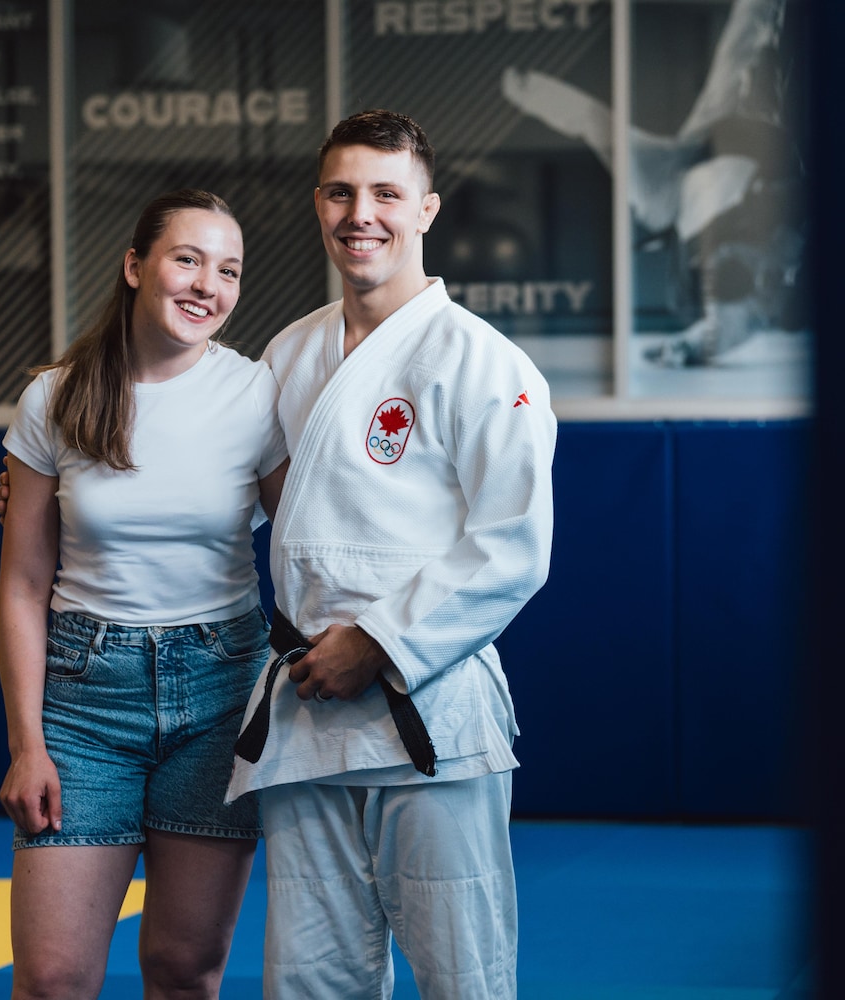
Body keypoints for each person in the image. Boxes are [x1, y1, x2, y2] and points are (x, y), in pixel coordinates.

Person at [225, 110, 557, 999]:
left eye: (384, 193)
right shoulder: (289, 352)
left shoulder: (486, 363)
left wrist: (376, 644)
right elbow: (234, 490)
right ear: (318, 203)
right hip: (305, 716)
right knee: (310, 978)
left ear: (426, 209)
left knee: (462, 974)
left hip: (429, 709)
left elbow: (513, 548)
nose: (359, 213)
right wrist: (67, 492)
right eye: (340, 192)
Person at [0, 188, 288, 1000]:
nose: (208, 285)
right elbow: (22, 585)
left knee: (184, 970)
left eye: (228, 270)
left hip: (220, 691)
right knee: (52, 978)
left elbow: (318, 530)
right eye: (187, 259)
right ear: (134, 266)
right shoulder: (54, 398)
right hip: (85, 702)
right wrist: (28, 744)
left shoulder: (259, 394)